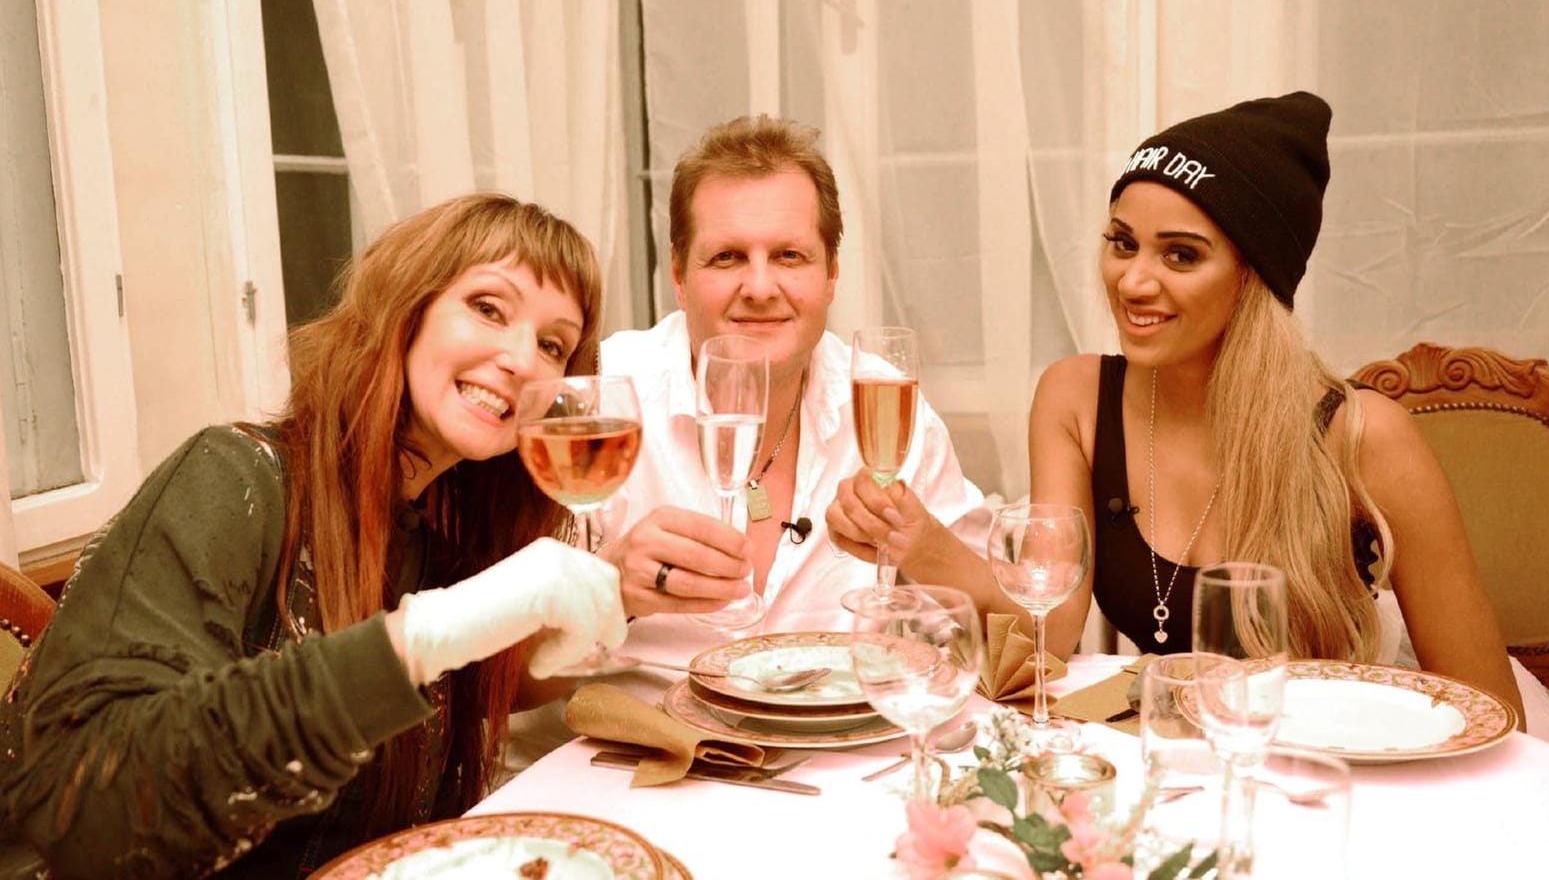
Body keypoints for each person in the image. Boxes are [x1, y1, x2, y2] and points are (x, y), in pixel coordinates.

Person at [829, 91, 1549, 732]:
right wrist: (920, 545)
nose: (1134, 281)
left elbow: (1488, 709)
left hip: (1345, 759)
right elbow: (1052, 628)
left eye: (1180, 255)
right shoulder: (1075, 398)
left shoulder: (1361, 434)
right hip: (1192, 771)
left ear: (1251, 278)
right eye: (1122, 243)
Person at [0, 194, 629, 878]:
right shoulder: (233, 479)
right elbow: (91, 815)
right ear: (405, 308)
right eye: (488, 307)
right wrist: (425, 638)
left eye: (553, 344)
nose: (521, 360)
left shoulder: (441, 536)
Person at [596, 114, 989, 643]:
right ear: (679, 277)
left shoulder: (885, 403)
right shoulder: (602, 395)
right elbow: (501, 673)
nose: (759, 287)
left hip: (843, 724)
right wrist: (607, 586)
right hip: (636, 725)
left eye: (789, 256)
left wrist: (925, 547)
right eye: (727, 257)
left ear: (830, 274)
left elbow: (1031, 640)